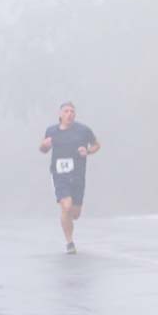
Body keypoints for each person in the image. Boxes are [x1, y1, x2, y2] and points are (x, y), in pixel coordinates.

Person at [39, 102, 100, 254]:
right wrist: (44, 145)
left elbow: (96, 145)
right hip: (59, 174)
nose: (69, 114)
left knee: (75, 213)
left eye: (72, 111)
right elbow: (42, 149)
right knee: (66, 205)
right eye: (66, 111)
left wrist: (88, 151)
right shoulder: (51, 131)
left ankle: (68, 219)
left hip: (78, 175)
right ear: (60, 115)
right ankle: (69, 242)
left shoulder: (83, 130)